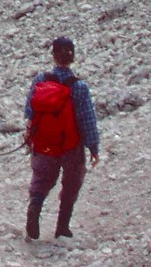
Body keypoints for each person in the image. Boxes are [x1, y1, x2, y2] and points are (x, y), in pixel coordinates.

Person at [24, 35, 100, 240]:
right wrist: (93, 147)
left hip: (44, 143)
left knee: (41, 179)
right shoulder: (79, 87)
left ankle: (35, 206)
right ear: (72, 57)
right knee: (72, 182)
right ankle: (62, 227)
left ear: (53, 55)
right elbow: (87, 120)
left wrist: (29, 135)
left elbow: (29, 110)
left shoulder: (40, 80)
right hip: (70, 145)